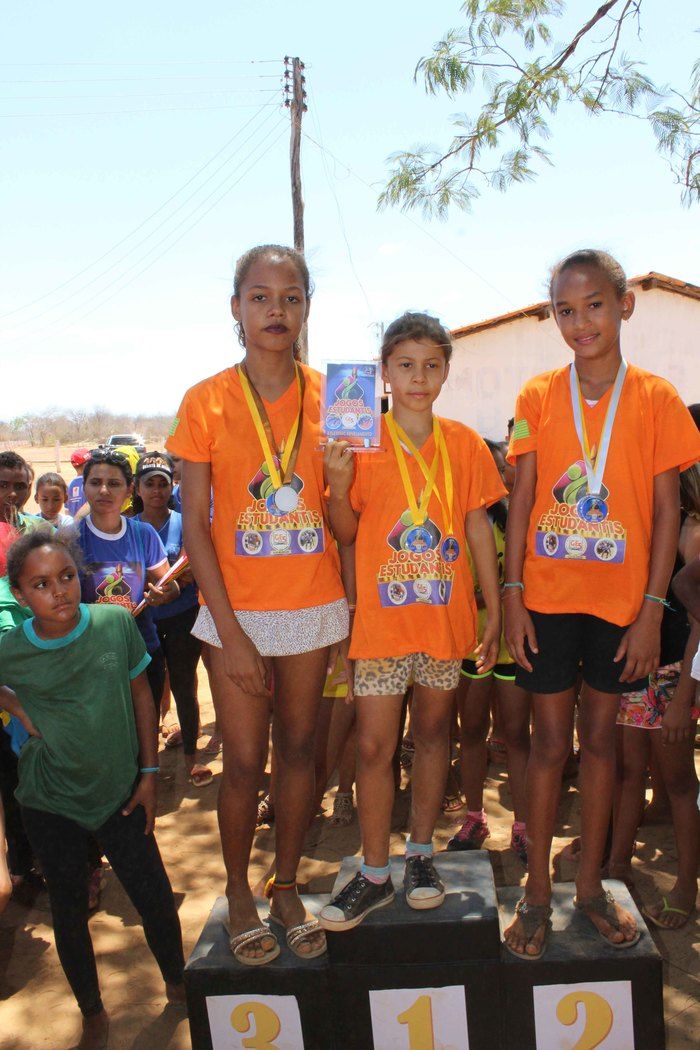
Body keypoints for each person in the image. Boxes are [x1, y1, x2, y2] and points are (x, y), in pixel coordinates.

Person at [503, 248, 700, 960]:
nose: (579, 321)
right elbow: (522, 499)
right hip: (549, 601)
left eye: (593, 305)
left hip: (621, 608)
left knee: (605, 748)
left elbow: (667, 510)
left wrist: (651, 609)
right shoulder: (534, 397)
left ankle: (588, 889)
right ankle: (533, 894)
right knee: (549, 746)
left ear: (625, 305)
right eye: (564, 309)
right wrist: (514, 595)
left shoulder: (657, 399)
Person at [166, 244, 348, 965]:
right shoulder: (204, 400)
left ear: (307, 308)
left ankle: (284, 883)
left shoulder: (338, 398)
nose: (277, 310)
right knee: (244, 762)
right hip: (234, 613)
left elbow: (346, 524)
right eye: (261, 296)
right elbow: (199, 527)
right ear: (236, 307)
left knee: (300, 753)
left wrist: (337, 485)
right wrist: (233, 634)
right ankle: (239, 892)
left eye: (292, 297)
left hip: (312, 605)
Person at [319, 311, 504, 931]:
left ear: (447, 370)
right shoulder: (362, 444)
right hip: (381, 626)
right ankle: (375, 871)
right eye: (405, 365)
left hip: (445, 621)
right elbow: (346, 534)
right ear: (385, 373)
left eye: (431, 364)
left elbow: (478, 524)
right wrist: (339, 486)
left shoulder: (466, 444)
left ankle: (420, 854)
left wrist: (494, 607)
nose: (419, 377)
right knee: (373, 746)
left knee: (433, 736)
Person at [0, 528, 185, 1050]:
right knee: (68, 907)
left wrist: (149, 776)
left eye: (65, 577)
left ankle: (178, 983)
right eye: (40, 584)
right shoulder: (12, 648)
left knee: (153, 894)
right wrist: (15, 705)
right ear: (19, 594)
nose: (58, 591)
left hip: (121, 792)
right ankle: (92, 1012)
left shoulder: (112, 624)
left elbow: (142, 697)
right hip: (49, 799)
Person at [609, 464, 700, 929]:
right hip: (632, 666)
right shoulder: (636, 519)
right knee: (628, 771)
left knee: (680, 782)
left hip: (673, 674)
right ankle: (616, 866)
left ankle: (687, 883)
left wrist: (684, 696)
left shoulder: (694, 529)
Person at [449, 441, 531, 863]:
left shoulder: (519, 520)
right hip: (471, 643)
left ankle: (522, 826)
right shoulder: (455, 521)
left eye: (503, 469)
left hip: (510, 646)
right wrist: (485, 601)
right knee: (471, 731)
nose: (498, 479)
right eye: (490, 471)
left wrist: (499, 600)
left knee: (516, 735)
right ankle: (475, 816)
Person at [75, 448, 178, 714]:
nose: (104, 491)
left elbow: (170, 585)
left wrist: (162, 594)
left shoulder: (143, 534)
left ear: (129, 488)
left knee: (145, 733)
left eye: (114, 483)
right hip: (91, 656)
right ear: (84, 487)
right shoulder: (71, 538)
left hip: (142, 651)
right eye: (96, 482)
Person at [133, 452, 212, 787]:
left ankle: (191, 760)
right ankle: (147, 767)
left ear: (172, 486)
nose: (156, 491)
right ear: (136, 488)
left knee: (184, 685)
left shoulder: (184, 522)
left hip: (181, 617)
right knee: (147, 691)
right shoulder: (128, 526)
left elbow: (195, 568)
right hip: (142, 622)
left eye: (162, 484)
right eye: (149, 484)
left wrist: (175, 588)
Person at [0, 451, 38, 532]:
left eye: (20, 487)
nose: (13, 494)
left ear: (28, 489)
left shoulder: (40, 529)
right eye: (3, 486)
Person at [67, 449, 91, 517]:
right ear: (86, 465)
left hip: (74, 525)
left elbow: (67, 511)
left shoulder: (69, 485)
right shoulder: (91, 483)